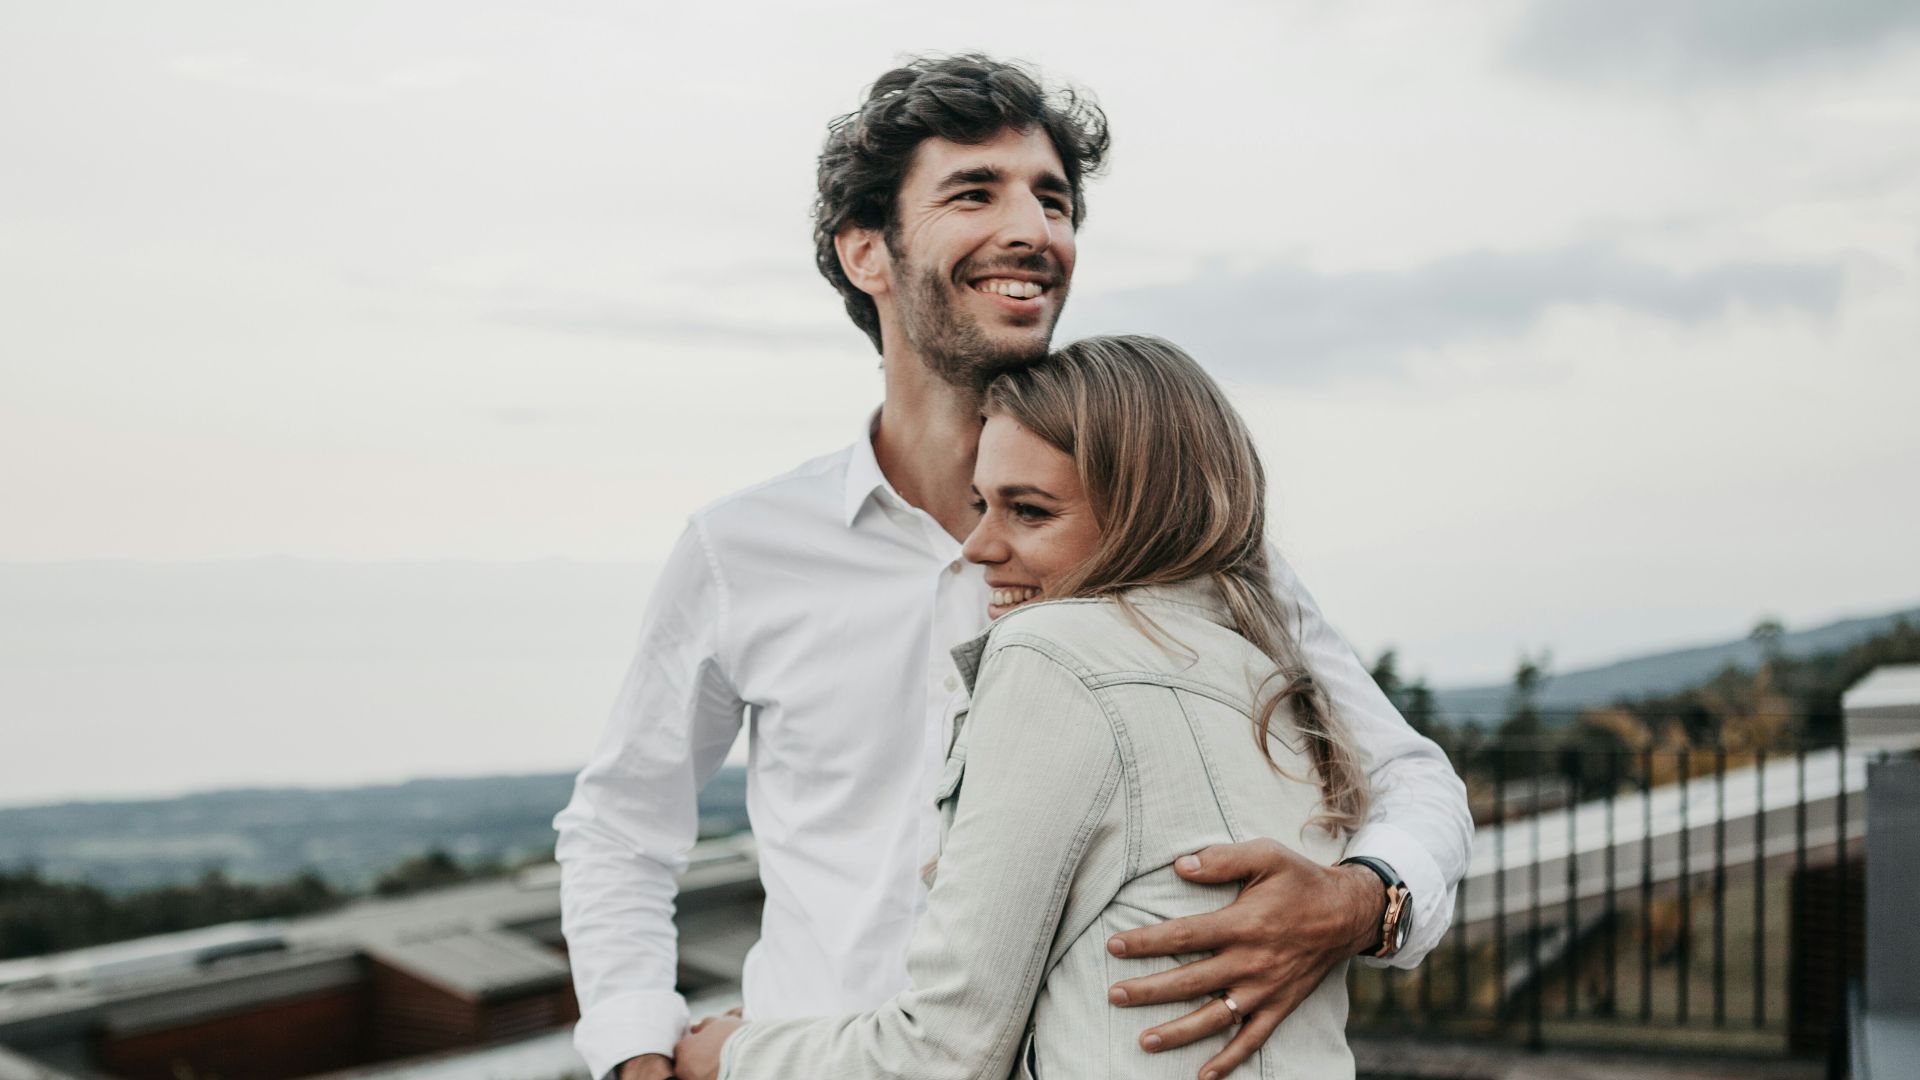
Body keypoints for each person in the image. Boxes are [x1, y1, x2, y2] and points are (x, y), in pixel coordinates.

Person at [554, 54, 1472, 1080]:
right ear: (868, 251)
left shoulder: (1178, 533)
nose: (1034, 229)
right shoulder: (741, 549)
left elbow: (1407, 775)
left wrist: (1363, 901)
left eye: (1054, 198)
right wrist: (636, 1053)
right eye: (974, 192)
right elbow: (621, 829)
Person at [672, 335, 1376, 1080]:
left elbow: (944, 1053)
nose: (978, 546)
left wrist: (729, 1056)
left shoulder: (1052, 654)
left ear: (1144, 514)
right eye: (983, 504)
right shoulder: (1271, 673)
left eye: (1029, 512)